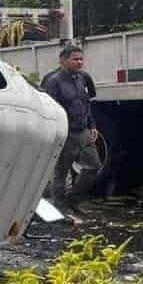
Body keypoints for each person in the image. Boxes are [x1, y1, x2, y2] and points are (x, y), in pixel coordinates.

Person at [43, 45, 101, 212]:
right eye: (75, 59)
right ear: (63, 60)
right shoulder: (53, 81)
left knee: (93, 166)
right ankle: (60, 209)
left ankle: (73, 200)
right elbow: (50, 110)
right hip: (65, 133)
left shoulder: (83, 78)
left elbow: (87, 104)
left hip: (82, 131)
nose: (79, 62)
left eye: (81, 59)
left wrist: (92, 125)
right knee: (61, 173)